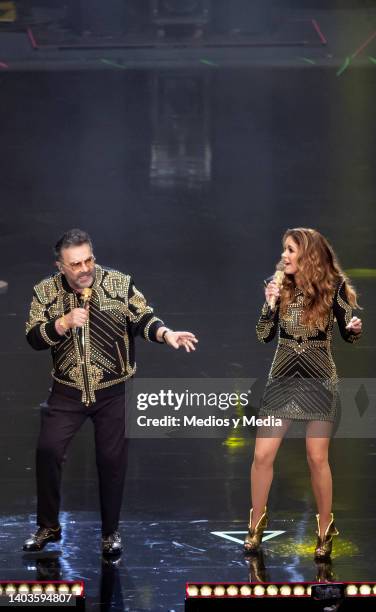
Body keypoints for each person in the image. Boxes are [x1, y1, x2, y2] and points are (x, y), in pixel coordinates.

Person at [23, 228, 198, 556]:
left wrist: (165, 334)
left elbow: (142, 318)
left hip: (112, 392)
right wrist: (61, 324)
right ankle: (48, 525)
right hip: (67, 392)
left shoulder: (119, 283)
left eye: (88, 259)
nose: (85, 268)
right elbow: (33, 337)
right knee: (48, 451)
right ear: (61, 266)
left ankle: (110, 533)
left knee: (111, 460)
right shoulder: (45, 292)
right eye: (75, 264)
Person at [244, 228, 362, 559]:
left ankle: (325, 531)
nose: (284, 255)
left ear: (307, 254)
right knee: (262, 456)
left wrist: (354, 329)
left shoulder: (333, 287)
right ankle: (255, 527)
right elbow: (263, 335)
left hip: (319, 379)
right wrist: (268, 305)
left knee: (316, 458)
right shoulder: (278, 285)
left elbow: (347, 329)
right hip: (281, 378)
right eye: (284, 249)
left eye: (291, 250)